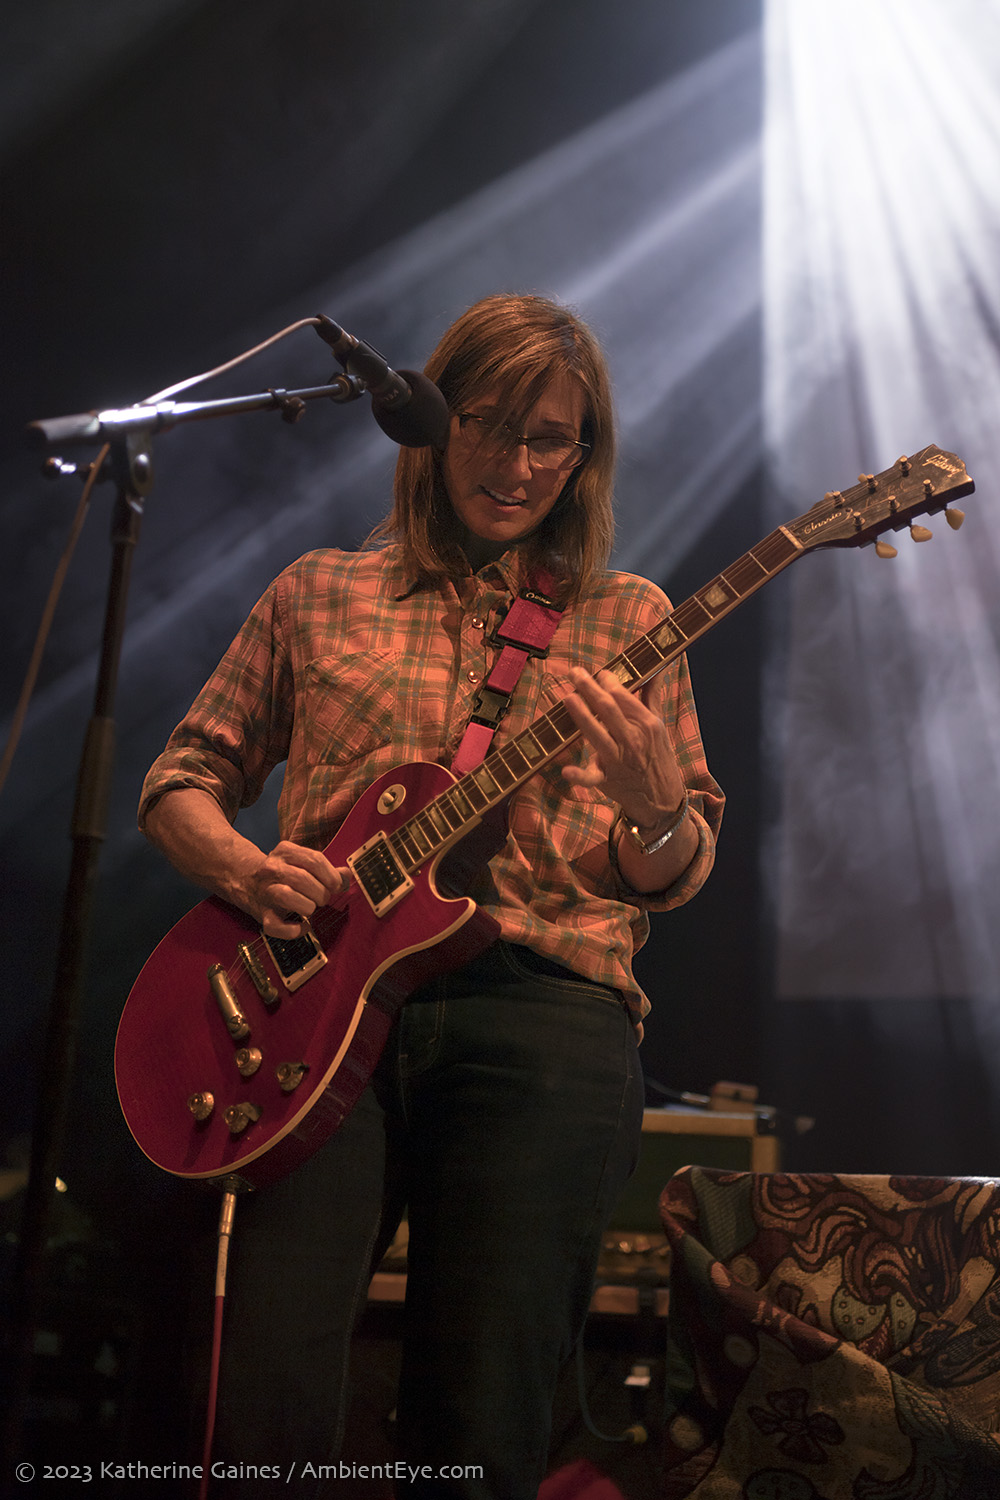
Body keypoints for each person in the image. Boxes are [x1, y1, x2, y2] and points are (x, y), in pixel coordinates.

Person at [138, 292, 724, 1498]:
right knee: (270, 1395)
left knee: (481, 1415)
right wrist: (247, 870)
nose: (514, 465)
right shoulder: (317, 591)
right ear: (431, 420)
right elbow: (181, 779)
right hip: (315, 1013)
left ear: (582, 455)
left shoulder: (628, 620)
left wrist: (658, 806)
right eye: (490, 424)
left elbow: (665, 871)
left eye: (549, 439)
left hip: (541, 1018)